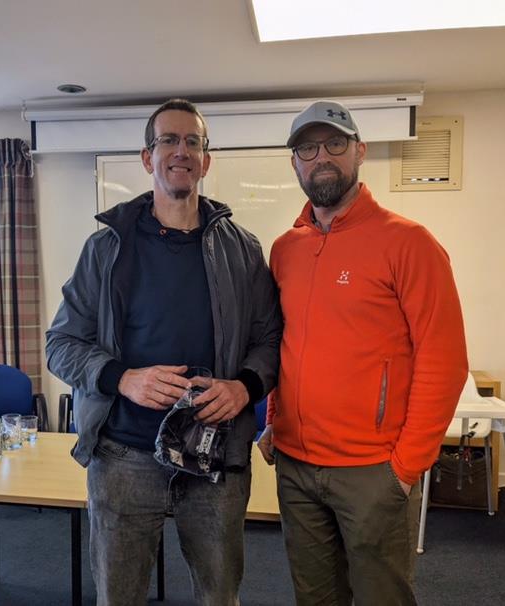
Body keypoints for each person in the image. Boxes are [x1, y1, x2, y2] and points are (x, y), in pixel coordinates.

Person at [46, 98, 281, 606]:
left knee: (220, 596)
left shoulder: (243, 249)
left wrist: (245, 386)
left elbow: (269, 339)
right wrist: (121, 378)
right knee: (119, 596)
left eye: (192, 141)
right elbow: (60, 344)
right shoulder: (106, 248)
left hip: (214, 457)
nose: (181, 151)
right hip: (124, 457)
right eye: (168, 140)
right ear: (147, 157)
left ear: (206, 160)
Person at [258, 100, 468, 606]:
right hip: (296, 468)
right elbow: (283, 343)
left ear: (360, 152)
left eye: (334, 143)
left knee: (382, 599)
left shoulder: (409, 243)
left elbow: (445, 362)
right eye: (307, 147)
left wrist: (404, 468)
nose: (321, 156)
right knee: (315, 598)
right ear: (294, 163)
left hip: (373, 472)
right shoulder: (285, 249)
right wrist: (273, 417)